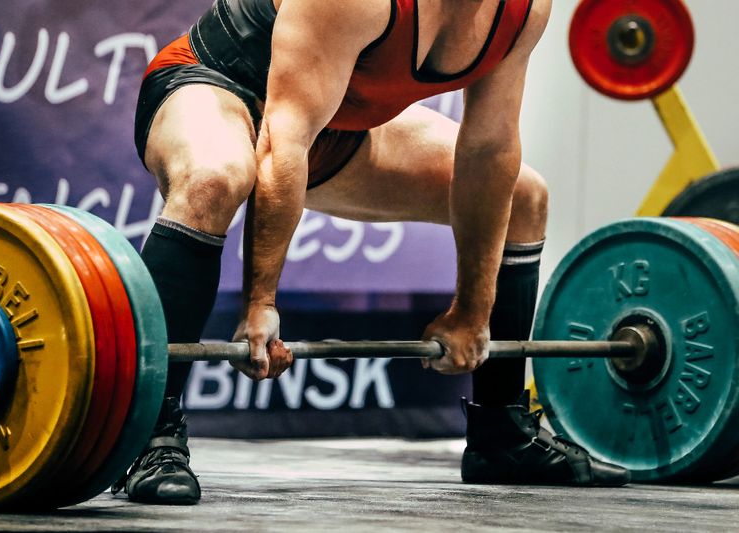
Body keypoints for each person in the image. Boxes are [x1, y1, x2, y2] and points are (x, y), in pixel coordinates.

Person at [116, 0, 630, 505]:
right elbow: (282, 140)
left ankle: (503, 435)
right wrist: (260, 305)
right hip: (217, 87)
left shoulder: (524, 10)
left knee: (523, 196)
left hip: (336, 126)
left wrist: (473, 312)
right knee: (214, 179)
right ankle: (148, 434)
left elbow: (488, 148)